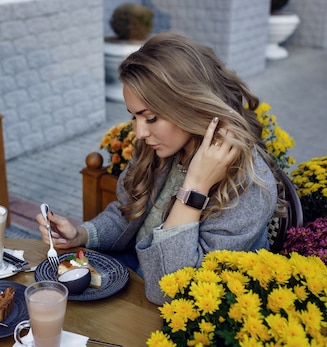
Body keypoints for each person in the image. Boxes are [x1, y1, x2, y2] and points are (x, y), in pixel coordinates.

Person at [36, 33, 284, 305]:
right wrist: (80, 234)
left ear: (191, 105)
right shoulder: (163, 147)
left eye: (151, 118)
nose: (140, 132)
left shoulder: (249, 185)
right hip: (133, 282)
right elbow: (126, 215)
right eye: (135, 117)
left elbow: (171, 290)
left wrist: (195, 188)